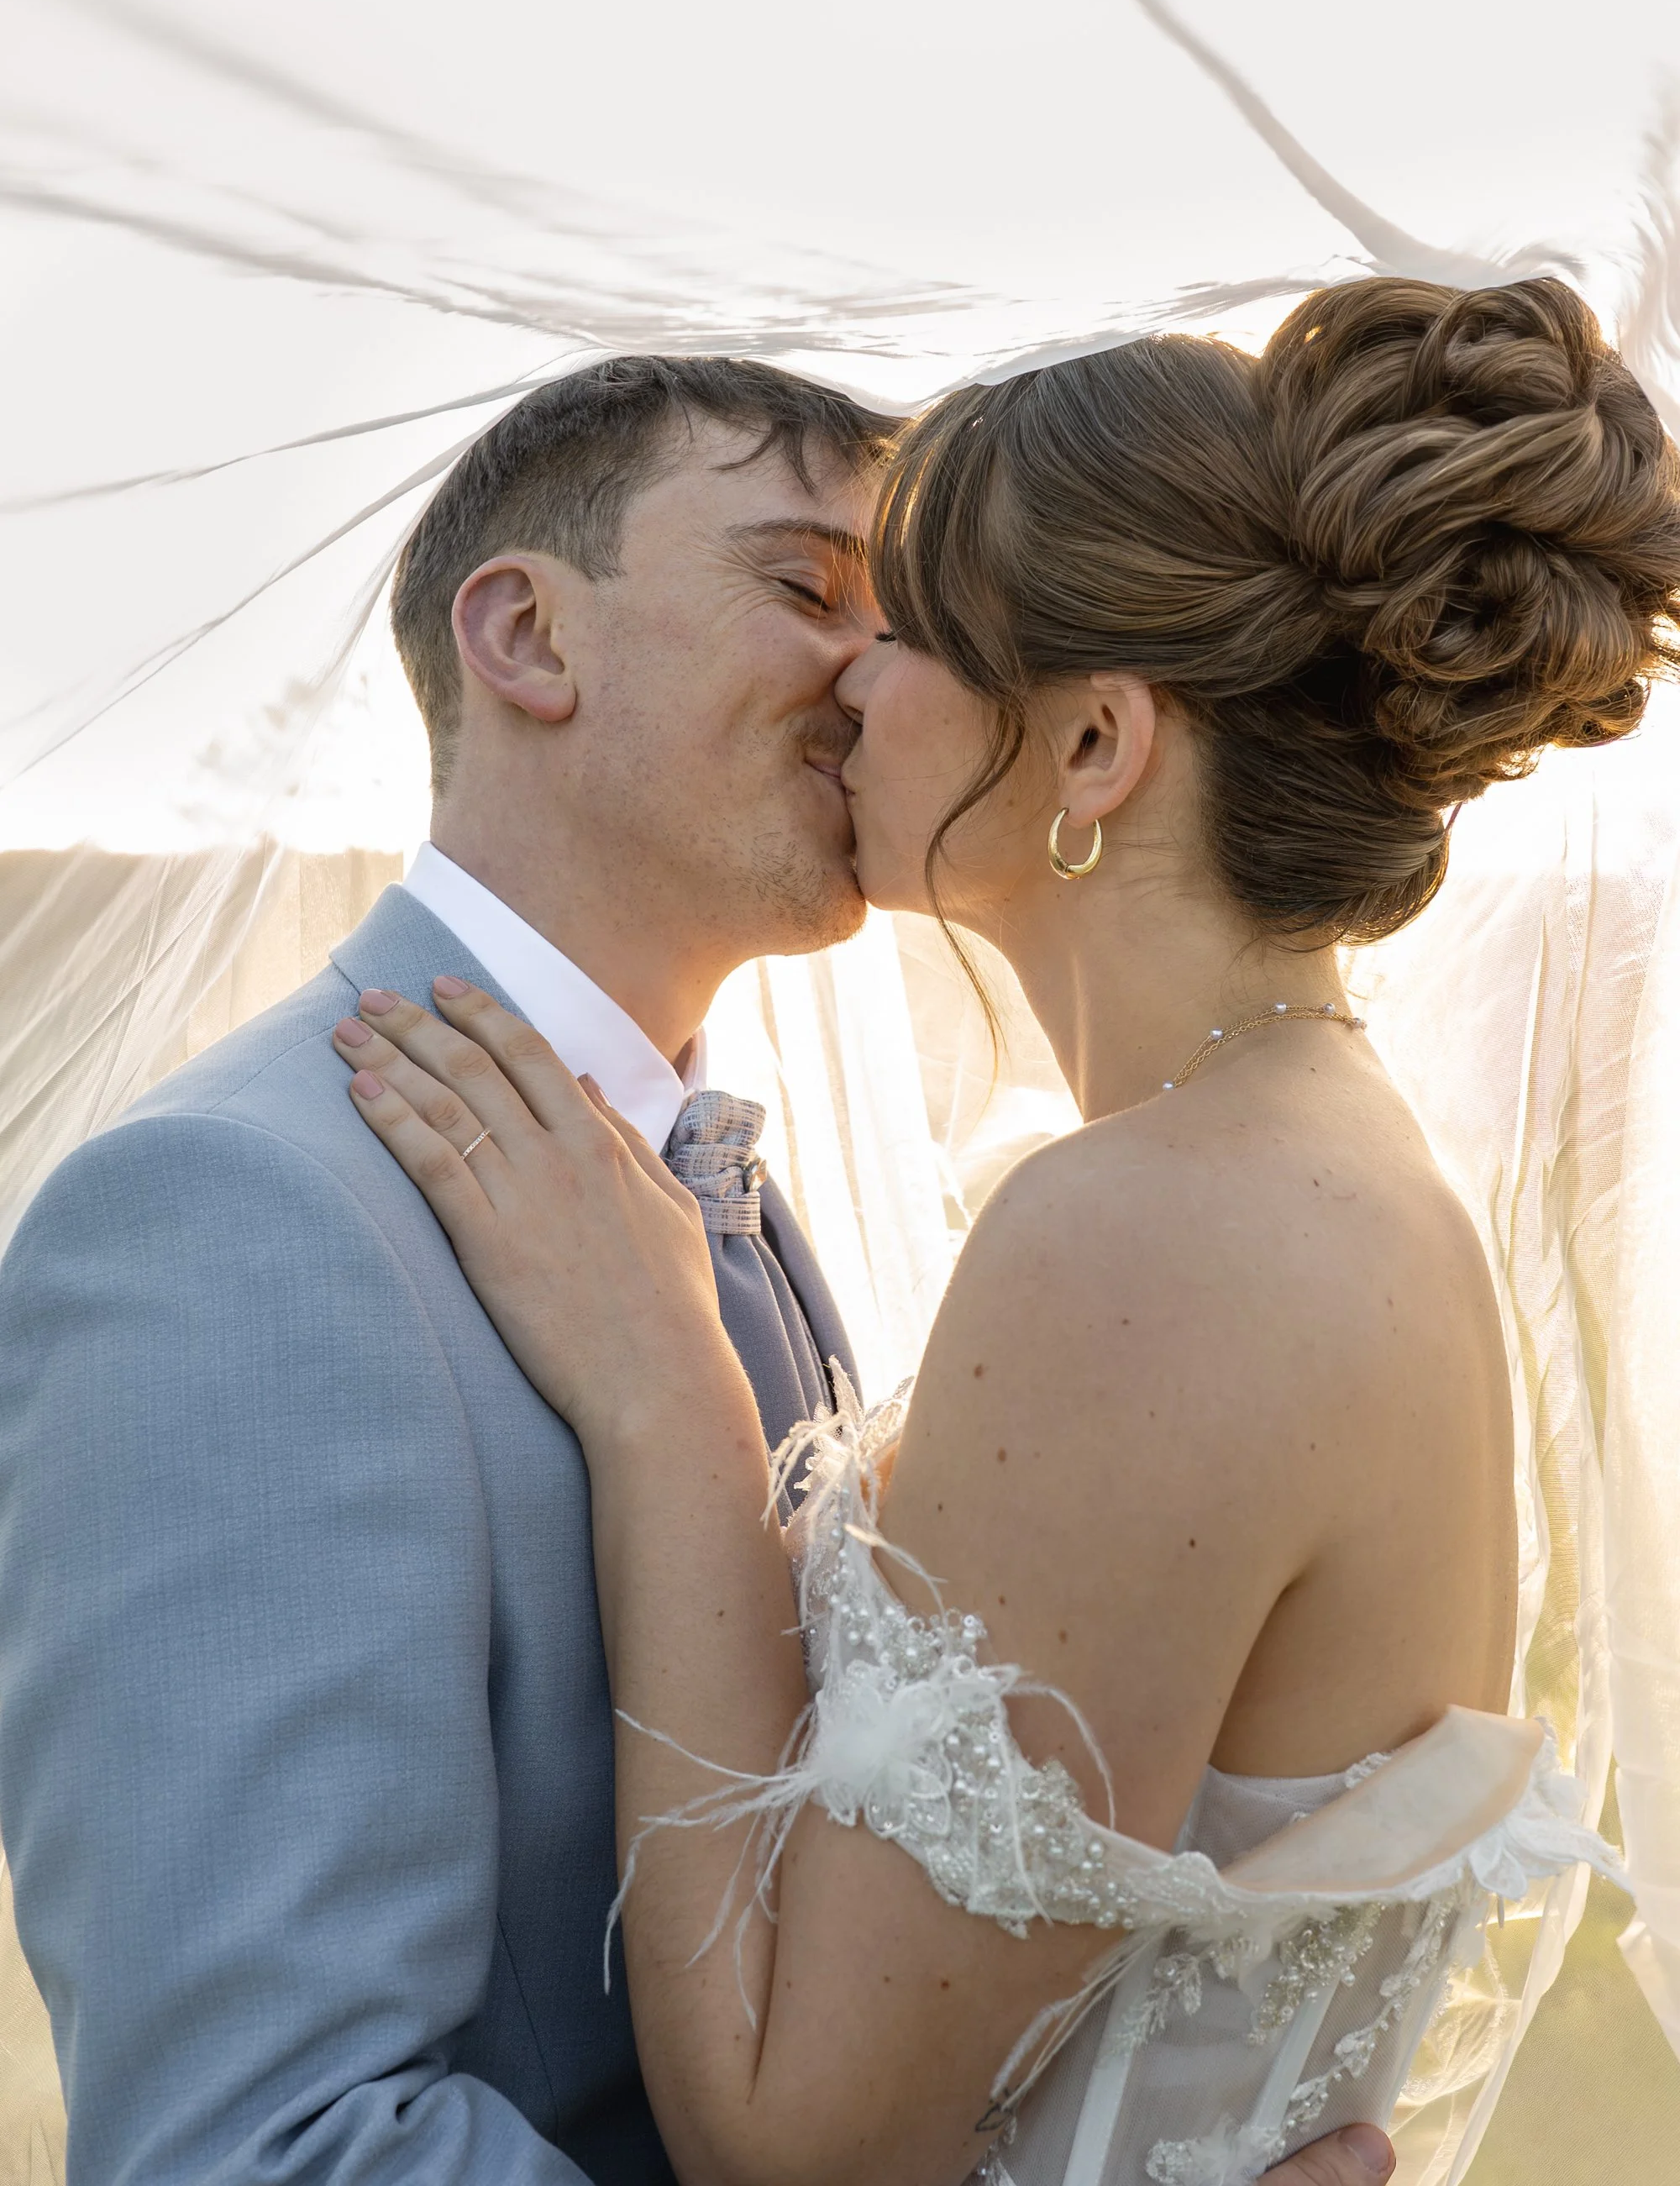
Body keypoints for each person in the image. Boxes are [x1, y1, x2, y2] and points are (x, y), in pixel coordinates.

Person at [336, 279, 1671, 2186]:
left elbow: (798, 2146)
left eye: (902, 629)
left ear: (1095, 745)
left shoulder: (1153, 1234)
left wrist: (664, 1397)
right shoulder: (1332, 1168)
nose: (847, 685)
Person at [0, 351, 1387, 2186]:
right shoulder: (237, 1221)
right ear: (528, 638)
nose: (882, 678)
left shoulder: (708, 1187)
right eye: (811, 588)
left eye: (907, 618)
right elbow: (256, 2146)